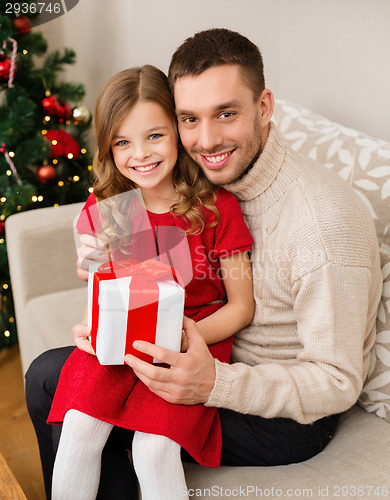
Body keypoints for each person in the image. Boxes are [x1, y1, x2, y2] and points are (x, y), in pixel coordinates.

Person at [26, 28, 382, 499]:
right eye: (189, 119)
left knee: (90, 410)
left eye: (226, 113)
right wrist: (105, 310)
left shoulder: (324, 223)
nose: (206, 139)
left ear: (264, 107)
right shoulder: (205, 177)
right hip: (190, 348)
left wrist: (211, 382)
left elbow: (335, 383)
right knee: (49, 375)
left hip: (278, 412)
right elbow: (150, 259)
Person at [46, 65, 254, 500]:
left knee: (155, 450)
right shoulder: (109, 205)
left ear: (178, 132)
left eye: (154, 135)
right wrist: (95, 320)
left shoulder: (218, 209)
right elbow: (100, 285)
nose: (140, 153)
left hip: (190, 338)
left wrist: (181, 337)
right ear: (108, 146)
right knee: (78, 429)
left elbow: (241, 306)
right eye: (123, 142)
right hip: (123, 336)